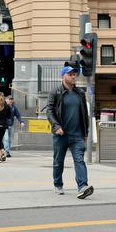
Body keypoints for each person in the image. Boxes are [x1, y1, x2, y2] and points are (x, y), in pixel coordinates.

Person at [45, 62, 94, 199]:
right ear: (63, 76)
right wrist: (56, 126)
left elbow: (84, 114)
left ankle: (83, 186)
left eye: (75, 74)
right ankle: (58, 184)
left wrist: (85, 133)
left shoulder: (80, 93)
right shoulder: (56, 92)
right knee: (58, 161)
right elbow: (49, 111)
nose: (74, 76)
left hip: (77, 134)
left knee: (79, 160)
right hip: (61, 134)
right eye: (70, 74)